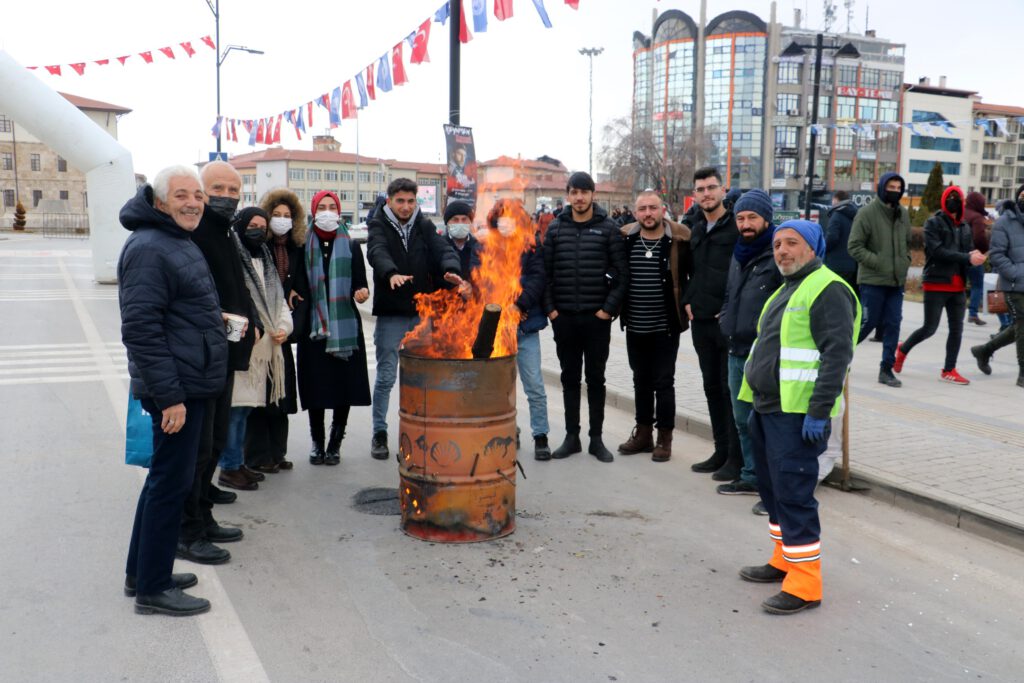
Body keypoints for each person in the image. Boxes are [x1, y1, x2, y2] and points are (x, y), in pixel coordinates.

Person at [118, 165, 228, 616]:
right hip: (176, 389)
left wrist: (211, 324)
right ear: (160, 202)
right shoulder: (150, 247)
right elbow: (141, 329)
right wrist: (171, 398)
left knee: (163, 479)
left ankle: (140, 572)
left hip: (187, 380)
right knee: (170, 483)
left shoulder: (173, 240)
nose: (194, 203)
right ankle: (154, 588)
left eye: (198, 195)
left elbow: (176, 313)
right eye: (182, 195)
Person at [737, 219, 860, 615]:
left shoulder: (828, 289)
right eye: (777, 245)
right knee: (772, 491)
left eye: (792, 243)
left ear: (812, 249)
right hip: (769, 407)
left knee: (794, 495)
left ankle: (806, 584)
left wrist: (819, 412)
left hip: (798, 414)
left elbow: (836, 356)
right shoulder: (788, 288)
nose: (782, 251)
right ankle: (784, 560)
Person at [177, 160, 256, 566]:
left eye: (233, 190)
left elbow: (234, 287)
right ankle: (187, 531)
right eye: (217, 189)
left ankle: (203, 513)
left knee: (214, 441)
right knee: (199, 448)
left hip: (222, 356)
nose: (226, 196)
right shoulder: (193, 234)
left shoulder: (223, 231)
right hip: (200, 358)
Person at [366, 178, 464, 459]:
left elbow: (442, 249)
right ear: (390, 201)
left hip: (422, 314)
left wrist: (450, 268)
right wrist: (390, 273)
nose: (406, 207)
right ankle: (379, 432)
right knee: (386, 376)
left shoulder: (423, 224)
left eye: (411, 201)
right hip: (392, 314)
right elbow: (376, 252)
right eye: (400, 201)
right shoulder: (378, 225)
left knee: (422, 378)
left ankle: (419, 431)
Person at [543, 171, 628, 463]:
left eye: (585, 191)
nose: (579, 197)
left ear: (593, 194)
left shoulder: (608, 229)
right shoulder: (554, 229)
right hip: (564, 318)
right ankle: (572, 437)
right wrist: (552, 310)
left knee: (595, 379)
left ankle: (596, 439)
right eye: (574, 192)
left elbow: (621, 274)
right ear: (568, 195)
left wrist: (608, 309)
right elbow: (545, 274)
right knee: (569, 379)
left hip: (596, 320)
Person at [219, 208, 294, 490]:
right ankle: (229, 466)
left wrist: (284, 327)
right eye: (251, 225)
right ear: (239, 226)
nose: (257, 231)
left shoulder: (264, 256)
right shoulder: (233, 258)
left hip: (264, 348)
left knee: (246, 410)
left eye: (262, 227)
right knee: (236, 410)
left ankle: (237, 463)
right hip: (243, 345)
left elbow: (277, 300)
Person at [295, 190, 371, 465]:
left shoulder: (350, 246)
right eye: (322, 207)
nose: (327, 212)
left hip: (344, 327)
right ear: (314, 211)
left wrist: (361, 291)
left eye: (332, 207)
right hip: (314, 329)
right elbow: (297, 282)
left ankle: (335, 443)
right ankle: (317, 442)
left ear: (339, 212)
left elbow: (360, 283)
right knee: (316, 387)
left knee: (344, 386)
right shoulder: (302, 244)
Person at [715, 189, 782, 497]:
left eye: (752, 217)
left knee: (765, 421)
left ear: (766, 218)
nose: (745, 224)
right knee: (741, 418)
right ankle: (750, 476)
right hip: (735, 348)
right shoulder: (739, 252)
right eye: (740, 217)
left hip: (763, 353)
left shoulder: (777, 254)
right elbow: (730, 293)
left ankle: (769, 481)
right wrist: (725, 320)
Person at [616, 190, 690, 462]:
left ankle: (664, 438)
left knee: (664, 382)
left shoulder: (679, 238)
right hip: (635, 326)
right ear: (636, 213)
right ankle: (644, 433)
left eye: (653, 208)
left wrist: (688, 302)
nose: (648, 213)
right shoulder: (626, 238)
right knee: (640, 381)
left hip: (665, 327)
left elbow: (689, 275)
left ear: (662, 210)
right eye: (642, 209)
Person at [681, 167, 743, 481]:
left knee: (729, 389)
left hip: (727, 322)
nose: (706, 193)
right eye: (701, 189)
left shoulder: (736, 226)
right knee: (711, 388)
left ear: (723, 190)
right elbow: (684, 269)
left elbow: (744, 271)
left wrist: (731, 308)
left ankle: (736, 458)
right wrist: (687, 300)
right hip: (700, 320)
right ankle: (720, 451)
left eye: (711, 187)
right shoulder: (691, 226)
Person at [483, 199, 552, 460]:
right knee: (502, 387)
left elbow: (537, 279)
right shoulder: (488, 247)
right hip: (498, 329)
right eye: (502, 217)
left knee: (533, 384)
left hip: (525, 329)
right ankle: (510, 430)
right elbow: (485, 282)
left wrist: (519, 304)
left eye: (511, 217)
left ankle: (541, 435)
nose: (506, 222)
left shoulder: (532, 247)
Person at [893, 187, 983, 385]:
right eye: (949, 198)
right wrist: (967, 257)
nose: (953, 202)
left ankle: (949, 369)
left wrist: (975, 256)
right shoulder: (933, 222)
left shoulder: (965, 227)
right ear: (943, 201)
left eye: (957, 198)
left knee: (957, 329)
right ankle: (902, 349)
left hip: (958, 285)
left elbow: (967, 252)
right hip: (936, 282)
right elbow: (938, 251)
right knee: (929, 328)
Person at [246, 188, 305, 473]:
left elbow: (300, 284)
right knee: (259, 396)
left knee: (281, 394)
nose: (281, 220)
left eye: (287, 216)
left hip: (281, 327)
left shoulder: (296, 247)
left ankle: (278, 452)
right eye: (276, 215)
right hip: (260, 329)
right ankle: (259, 456)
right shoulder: (258, 247)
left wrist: (293, 291)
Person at [848, 172, 911, 388]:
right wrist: (878, 262)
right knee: (867, 322)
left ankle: (886, 369)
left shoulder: (903, 214)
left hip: (896, 281)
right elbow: (854, 246)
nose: (894, 191)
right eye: (890, 187)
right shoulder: (866, 213)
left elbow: (906, 242)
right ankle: (840, 357)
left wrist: (904, 262)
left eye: (898, 188)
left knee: (893, 324)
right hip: (873, 280)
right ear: (882, 187)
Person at [970, 184, 1024, 388]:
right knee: (1022, 324)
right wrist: (1016, 273)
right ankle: (1022, 374)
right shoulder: (1004, 222)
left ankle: (984, 351)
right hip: (1013, 284)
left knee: (1019, 326)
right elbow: (997, 254)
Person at [964, 191, 990, 326]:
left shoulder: (960, 212)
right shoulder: (977, 217)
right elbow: (979, 237)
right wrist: (984, 251)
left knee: (959, 283)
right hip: (974, 255)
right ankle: (973, 313)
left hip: (959, 255)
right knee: (977, 284)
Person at [825, 190, 859, 292]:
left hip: (836, 264)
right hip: (853, 265)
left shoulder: (837, 215)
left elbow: (832, 237)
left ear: (836, 200)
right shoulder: (856, 215)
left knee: (835, 294)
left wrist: (823, 249)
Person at [443, 200, 480, 279]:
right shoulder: (439, 245)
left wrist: (470, 286)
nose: (460, 223)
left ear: (470, 222)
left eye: (464, 219)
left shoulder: (478, 246)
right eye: (455, 219)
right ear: (447, 223)